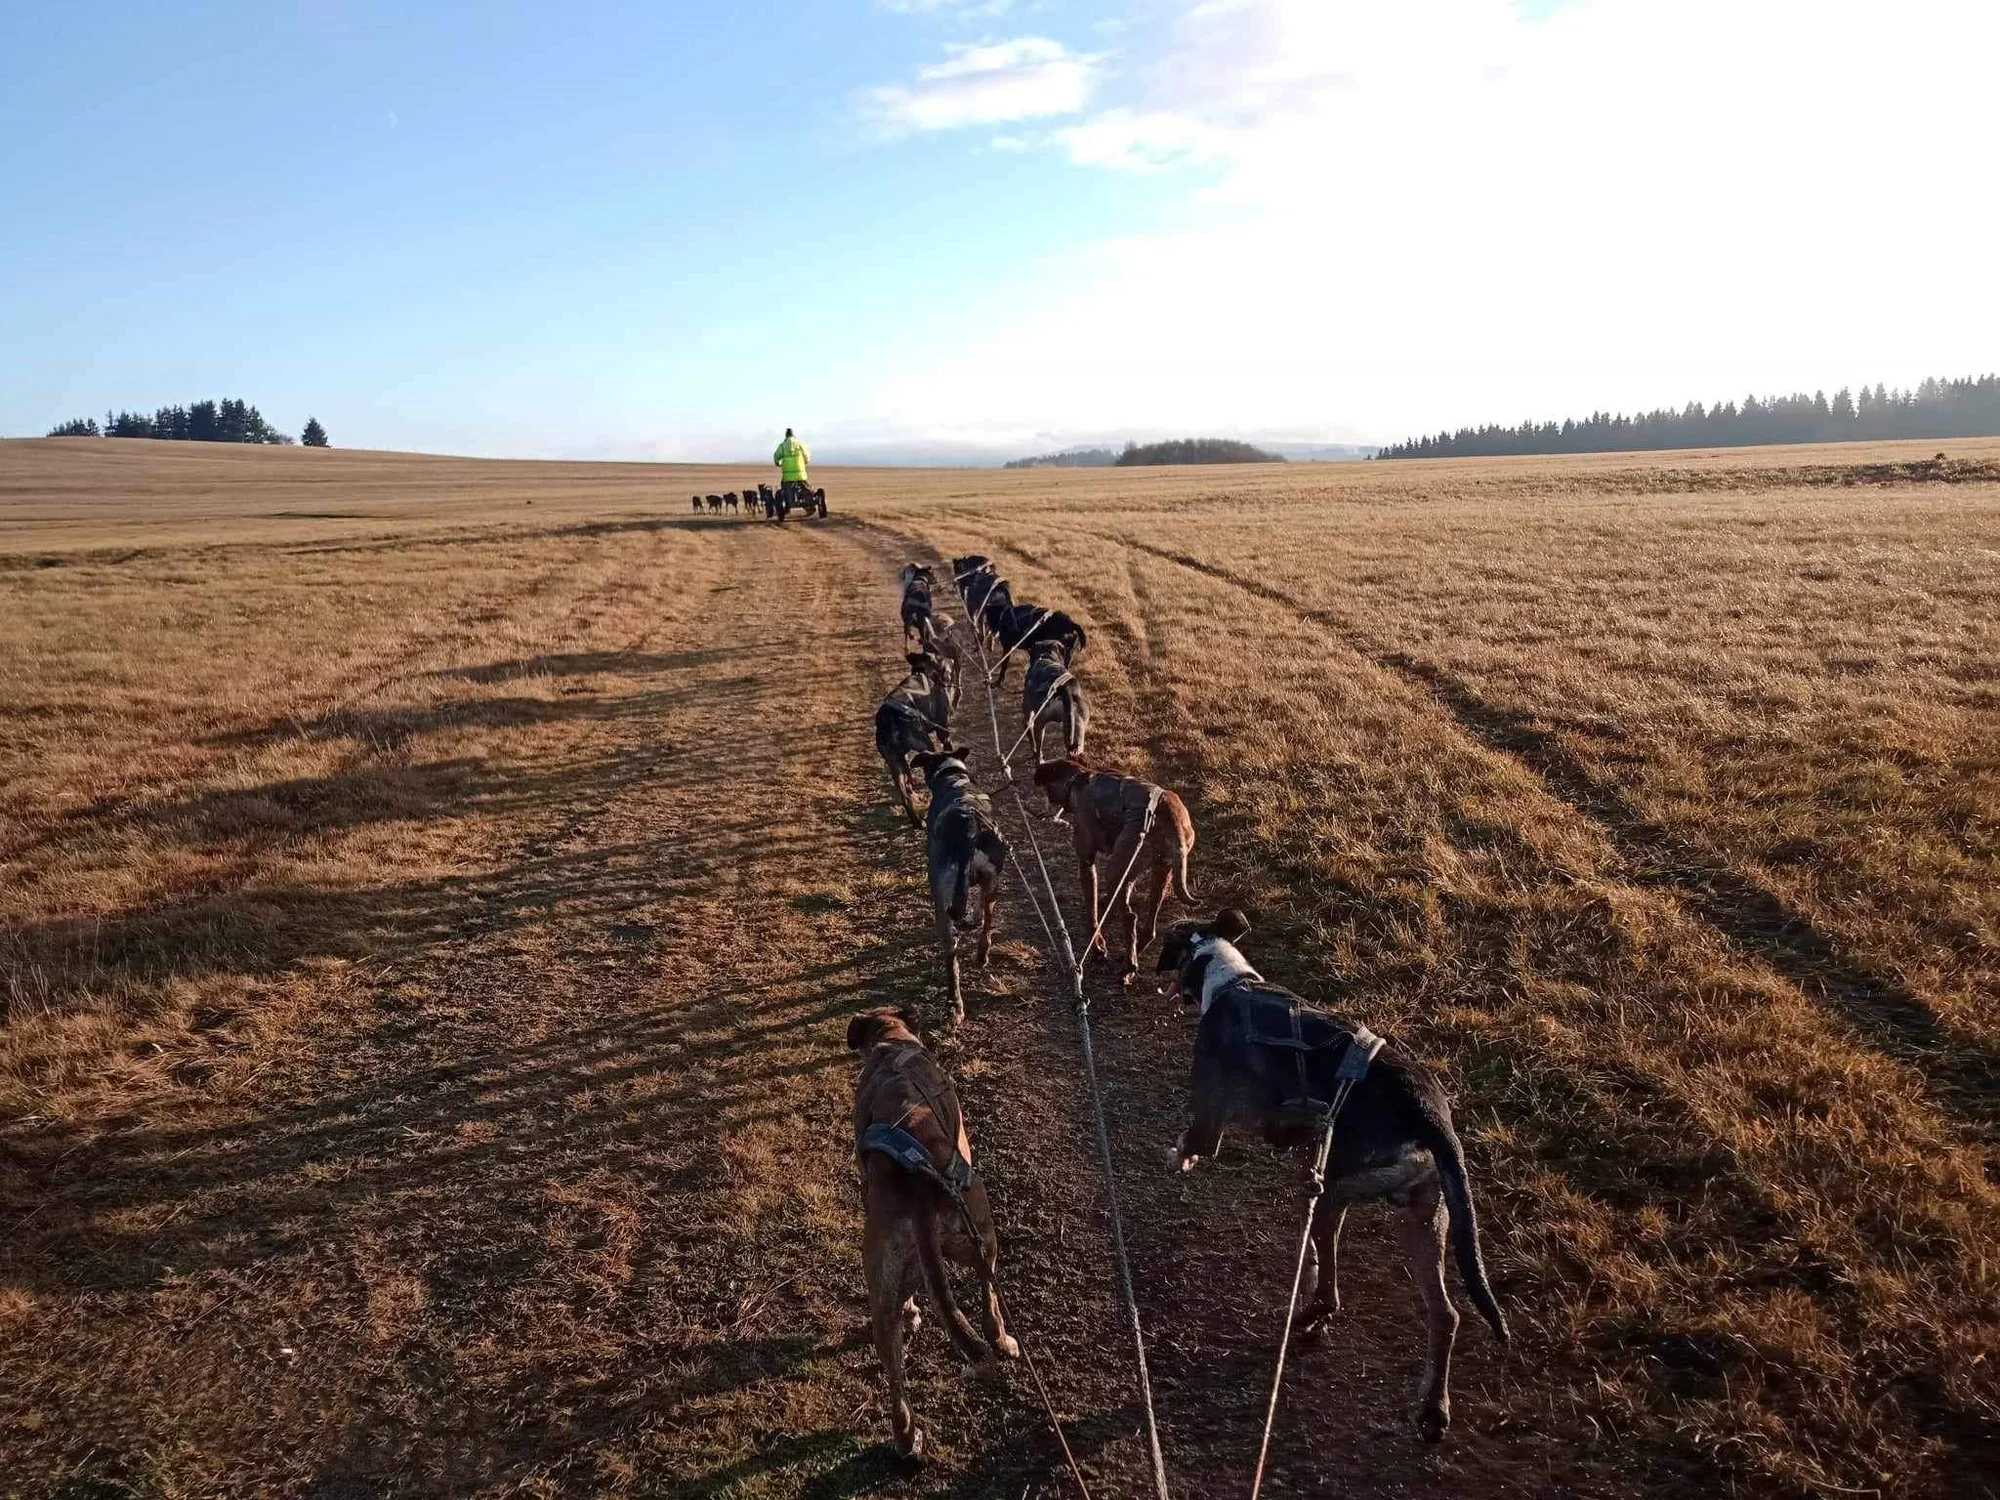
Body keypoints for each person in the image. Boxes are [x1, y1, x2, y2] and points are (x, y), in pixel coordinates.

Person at [773, 427, 811, 513]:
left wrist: (778, 463)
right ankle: (810, 505)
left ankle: (787, 507)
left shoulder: (782, 445)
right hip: (800, 474)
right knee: (805, 488)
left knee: (785, 490)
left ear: (786, 435)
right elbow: (807, 455)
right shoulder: (799, 444)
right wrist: (805, 462)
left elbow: (776, 456)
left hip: (787, 475)